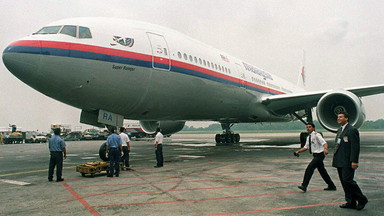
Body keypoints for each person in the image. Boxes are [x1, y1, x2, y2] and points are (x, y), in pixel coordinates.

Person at [333, 111, 368, 210]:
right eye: (338, 117)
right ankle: (350, 201)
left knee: (348, 181)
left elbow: (355, 147)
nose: (338, 118)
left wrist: (354, 161)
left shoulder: (352, 130)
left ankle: (362, 199)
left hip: (348, 161)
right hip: (339, 160)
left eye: (341, 117)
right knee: (344, 182)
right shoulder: (339, 130)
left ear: (346, 118)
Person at [295, 123, 336, 192]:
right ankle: (331, 185)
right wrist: (298, 151)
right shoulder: (309, 137)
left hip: (320, 155)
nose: (308, 128)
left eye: (310, 127)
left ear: (313, 128)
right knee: (322, 171)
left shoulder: (317, 135)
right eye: (307, 127)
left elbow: (324, 143)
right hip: (315, 155)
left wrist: (325, 149)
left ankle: (304, 185)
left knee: (309, 168)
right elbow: (305, 147)